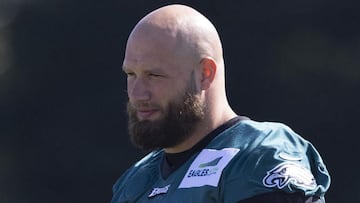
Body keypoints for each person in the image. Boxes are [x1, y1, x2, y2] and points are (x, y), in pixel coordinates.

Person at [112, 4, 330, 203]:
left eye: (154, 75)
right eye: (131, 74)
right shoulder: (135, 183)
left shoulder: (258, 156)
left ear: (205, 74)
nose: (137, 94)